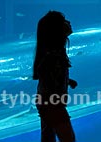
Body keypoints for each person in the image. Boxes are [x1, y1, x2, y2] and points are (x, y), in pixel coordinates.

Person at [33, 11, 78, 142]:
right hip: (52, 104)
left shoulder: (52, 52)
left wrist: (67, 81)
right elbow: (49, 76)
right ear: (55, 29)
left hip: (47, 102)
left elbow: (49, 76)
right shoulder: (53, 55)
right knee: (68, 139)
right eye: (63, 21)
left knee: (48, 138)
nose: (68, 22)